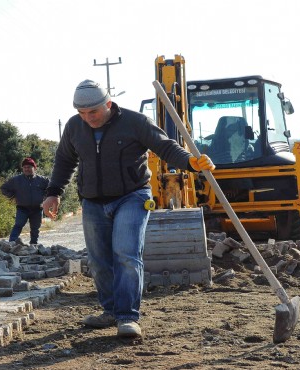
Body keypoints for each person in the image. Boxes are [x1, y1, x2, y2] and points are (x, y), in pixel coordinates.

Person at [42, 79, 215, 338]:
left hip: (132, 196)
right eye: (82, 113)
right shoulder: (74, 127)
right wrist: (53, 192)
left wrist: (191, 162)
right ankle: (110, 311)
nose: (88, 118)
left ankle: (127, 317)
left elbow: (166, 147)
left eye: (93, 112)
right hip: (92, 201)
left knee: (126, 254)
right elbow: (64, 161)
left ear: (108, 104)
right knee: (99, 261)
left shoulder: (135, 123)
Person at [1, 157, 49, 245]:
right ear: (22, 168)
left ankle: (33, 246)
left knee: (35, 229)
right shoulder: (16, 180)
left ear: (34, 168)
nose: (27, 169)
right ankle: (11, 244)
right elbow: (3, 188)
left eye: (29, 167)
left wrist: (46, 198)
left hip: (37, 209)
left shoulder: (43, 180)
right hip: (22, 209)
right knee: (18, 226)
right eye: (25, 167)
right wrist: (12, 195)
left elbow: (52, 189)